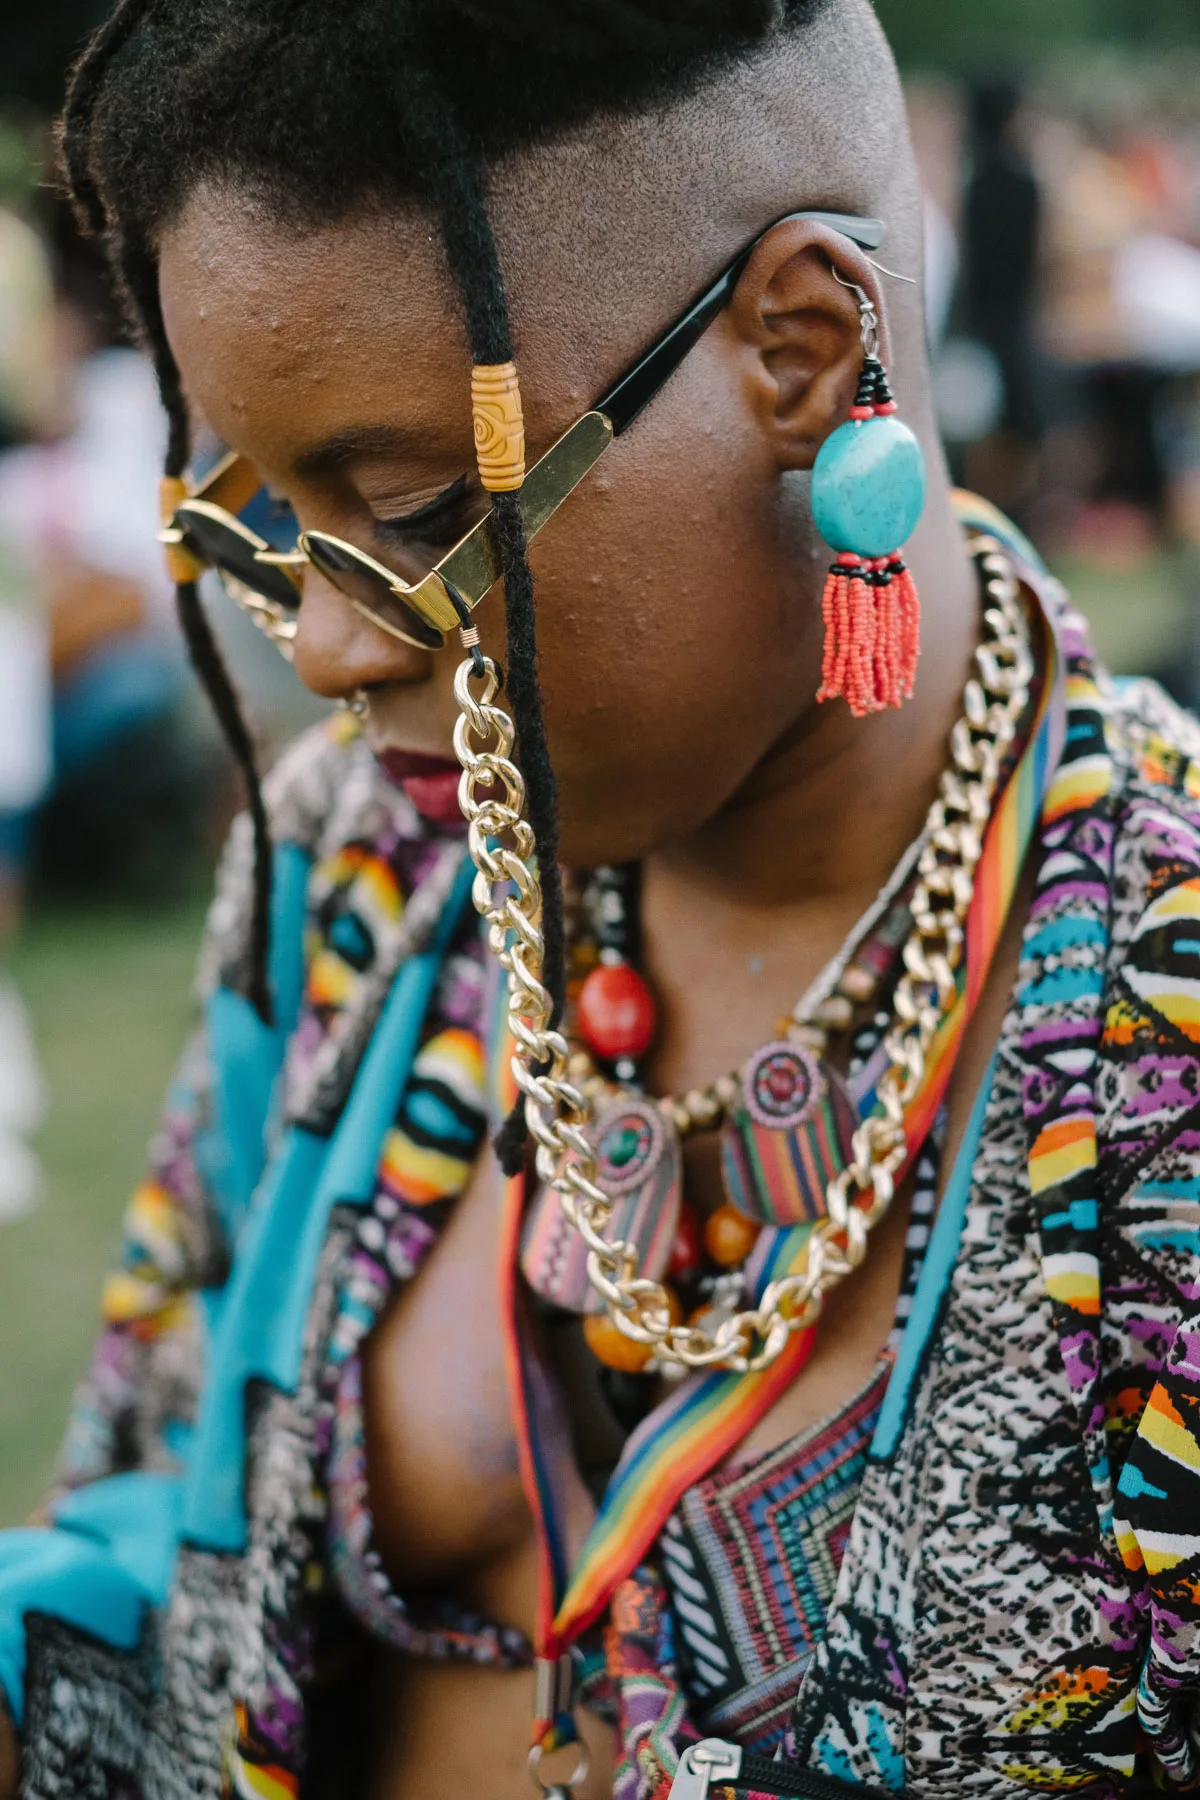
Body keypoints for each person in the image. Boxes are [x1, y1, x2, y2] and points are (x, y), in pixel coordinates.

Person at [0, 2, 1198, 1796]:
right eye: (262, 518)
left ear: (804, 344)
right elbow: (161, 1498)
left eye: (407, 515)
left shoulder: (1150, 1013)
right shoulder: (358, 865)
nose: (326, 645)